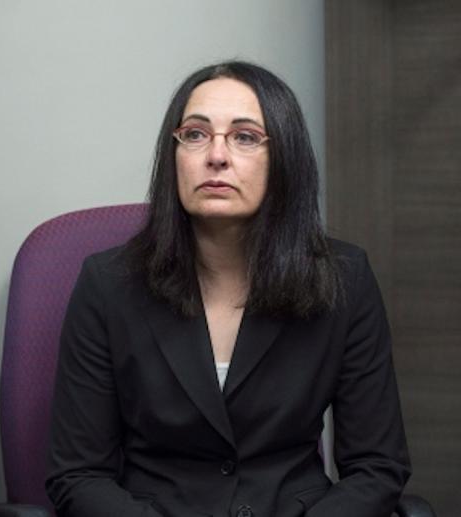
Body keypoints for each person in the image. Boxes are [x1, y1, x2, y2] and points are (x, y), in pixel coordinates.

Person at [46, 61, 410, 517]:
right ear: (173, 154)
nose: (216, 155)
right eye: (196, 134)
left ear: (285, 160)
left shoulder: (344, 277)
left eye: (244, 137)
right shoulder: (108, 283)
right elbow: (78, 475)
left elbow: (377, 467)